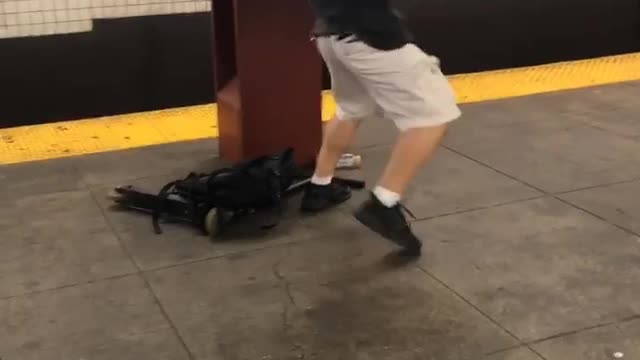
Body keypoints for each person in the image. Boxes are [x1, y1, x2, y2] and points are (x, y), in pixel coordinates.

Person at [300, 0, 461, 257]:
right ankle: (384, 202)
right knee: (433, 116)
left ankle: (320, 186)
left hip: (330, 36)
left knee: (350, 110)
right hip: (371, 37)